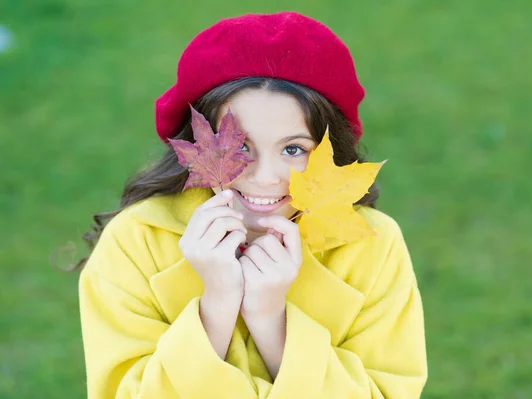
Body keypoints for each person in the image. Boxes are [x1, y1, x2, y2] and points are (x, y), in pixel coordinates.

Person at [77, 11, 427, 399]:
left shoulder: (372, 246)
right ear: (196, 143)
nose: (264, 176)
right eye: (240, 145)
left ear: (332, 151)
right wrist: (216, 308)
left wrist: (272, 322)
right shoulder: (136, 241)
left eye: (294, 149)